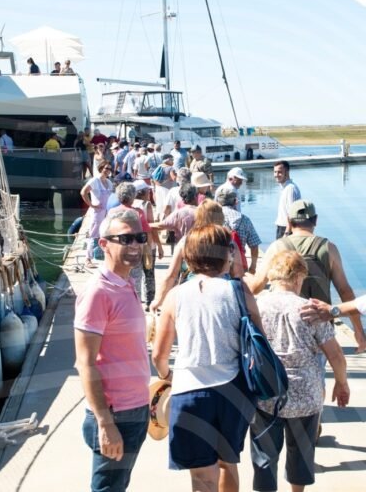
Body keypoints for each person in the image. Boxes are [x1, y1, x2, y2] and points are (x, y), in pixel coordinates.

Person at [152, 225, 261, 492]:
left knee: (202, 475)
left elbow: (159, 355)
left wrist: (166, 376)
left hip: (190, 391)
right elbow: (260, 340)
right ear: (228, 255)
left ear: (189, 258)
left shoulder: (176, 296)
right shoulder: (240, 292)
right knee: (228, 463)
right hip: (234, 390)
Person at [250, 250, 349, 492]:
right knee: (301, 458)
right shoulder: (311, 310)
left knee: (264, 458)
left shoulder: (256, 306)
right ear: (297, 278)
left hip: (266, 393)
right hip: (306, 395)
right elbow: (335, 354)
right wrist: (341, 382)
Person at [75, 210, 151, 492]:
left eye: (139, 238)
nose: (134, 246)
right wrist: (105, 423)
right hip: (114, 414)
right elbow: (85, 363)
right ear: (104, 244)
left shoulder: (127, 283)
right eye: (126, 239)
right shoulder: (98, 292)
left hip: (135, 408)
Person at [247, 199, 366, 352]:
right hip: (319, 327)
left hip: (281, 329)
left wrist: (245, 281)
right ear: (315, 221)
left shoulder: (277, 247)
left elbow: (256, 288)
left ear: (289, 222)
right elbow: (345, 291)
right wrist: (358, 331)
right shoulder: (329, 248)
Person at [150, 199, 245, 312]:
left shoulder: (187, 241)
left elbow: (171, 275)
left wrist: (158, 300)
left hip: (191, 294)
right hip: (223, 295)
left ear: (198, 217)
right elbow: (238, 274)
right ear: (221, 218)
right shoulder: (230, 242)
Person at [215, 186, 261, 274]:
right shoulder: (244, 219)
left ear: (218, 202)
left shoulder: (214, 218)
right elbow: (254, 245)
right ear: (235, 202)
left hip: (219, 265)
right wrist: (253, 266)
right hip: (240, 264)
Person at [132, 179, 163, 307]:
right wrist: (160, 246)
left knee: (135, 273)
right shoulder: (146, 205)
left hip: (135, 243)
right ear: (143, 192)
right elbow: (151, 228)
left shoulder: (131, 204)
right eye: (148, 190)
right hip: (147, 244)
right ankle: (149, 301)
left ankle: (136, 300)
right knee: (149, 273)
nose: (149, 192)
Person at [80, 160, 115, 269]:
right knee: (93, 235)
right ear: (101, 168)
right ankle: (88, 259)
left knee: (106, 235)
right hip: (97, 212)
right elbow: (83, 192)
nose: (107, 171)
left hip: (107, 212)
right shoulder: (95, 180)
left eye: (109, 169)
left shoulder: (109, 182)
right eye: (106, 168)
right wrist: (91, 205)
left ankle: (107, 257)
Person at [273, 160, 301, 239]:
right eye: (275, 172)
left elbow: (292, 214)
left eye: (279, 172)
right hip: (282, 228)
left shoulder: (290, 189)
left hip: (286, 229)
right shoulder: (285, 188)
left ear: (287, 172)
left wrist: (287, 233)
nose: (276, 175)